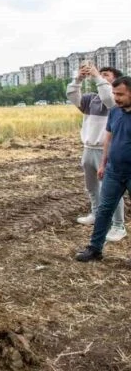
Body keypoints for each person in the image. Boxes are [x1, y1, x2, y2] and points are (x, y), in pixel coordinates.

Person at [67, 62, 125, 241]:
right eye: (101, 74)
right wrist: (78, 78)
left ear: (116, 81)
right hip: (88, 148)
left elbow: (108, 97)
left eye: (106, 74)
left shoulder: (116, 100)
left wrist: (98, 78)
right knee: (91, 187)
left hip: (105, 150)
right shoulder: (91, 99)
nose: (100, 76)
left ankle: (118, 225)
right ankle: (96, 213)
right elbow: (72, 96)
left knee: (111, 190)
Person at [76, 76, 131, 262]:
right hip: (113, 171)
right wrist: (102, 164)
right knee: (104, 210)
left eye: (121, 94)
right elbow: (108, 139)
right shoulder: (115, 112)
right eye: (114, 93)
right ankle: (95, 249)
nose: (116, 98)